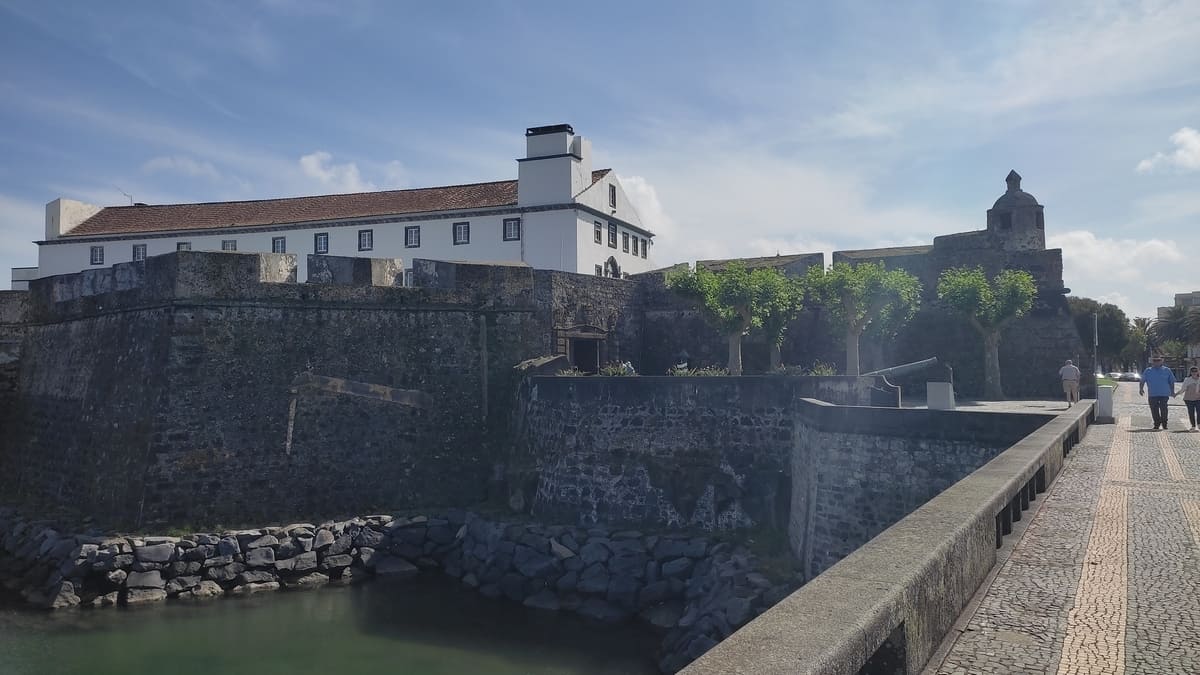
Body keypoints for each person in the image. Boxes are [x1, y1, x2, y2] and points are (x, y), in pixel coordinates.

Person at [1140, 356, 1177, 430]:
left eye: (1158, 360)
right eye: (1155, 360)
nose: (1156, 362)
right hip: (1152, 394)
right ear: (1152, 362)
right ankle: (1156, 423)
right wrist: (1141, 389)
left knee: (1164, 409)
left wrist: (1172, 391)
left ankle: (1164, 423)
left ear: (1161, 361)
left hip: (1164, 394)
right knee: (1154, 409)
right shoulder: (1148, 370)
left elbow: (1171, 381)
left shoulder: (1167, 370)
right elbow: (1142, 380)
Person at [1178, 366, 1200, 431]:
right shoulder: (1187, 379)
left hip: (1198, 398)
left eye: (1195, 371)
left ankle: (1199, 424)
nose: (1194, 372)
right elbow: (1183, 389)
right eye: (1192, 371)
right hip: (1189, 399)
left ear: (1198, 372)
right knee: (1191, 412)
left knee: (1199, 412)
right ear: (1190, 372)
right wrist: (1176, 394)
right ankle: (1193, 425)